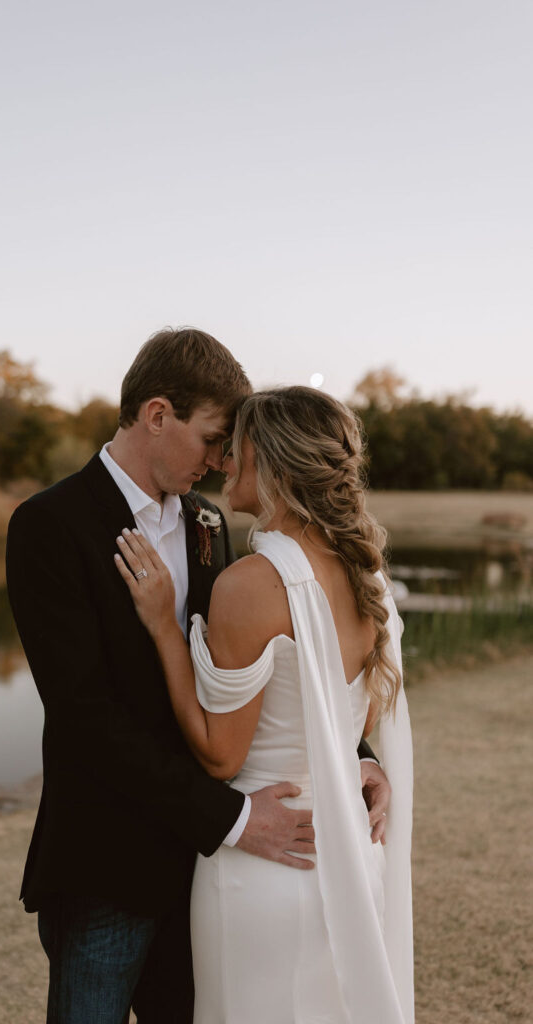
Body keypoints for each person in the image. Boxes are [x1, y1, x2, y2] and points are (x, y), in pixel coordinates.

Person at [6, 329, 391, 1024]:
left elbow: (269, 669)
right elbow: (83, 717)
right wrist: (236, 819)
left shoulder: (209, 521)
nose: (220, 462)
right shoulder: (49, 526)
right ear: (158, 414)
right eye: (213, 438)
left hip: (205, 871)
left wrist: (350, 756)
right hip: (109, 866)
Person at [114, 385, 413, 1024]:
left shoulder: (251, 585)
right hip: (349, 854)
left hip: (267, 865)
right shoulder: (367, 577)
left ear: (272, 461)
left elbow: (221, 757)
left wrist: (165, 629)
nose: (222, 463)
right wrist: (361, 761)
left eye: (236, 448)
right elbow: (335, 720)